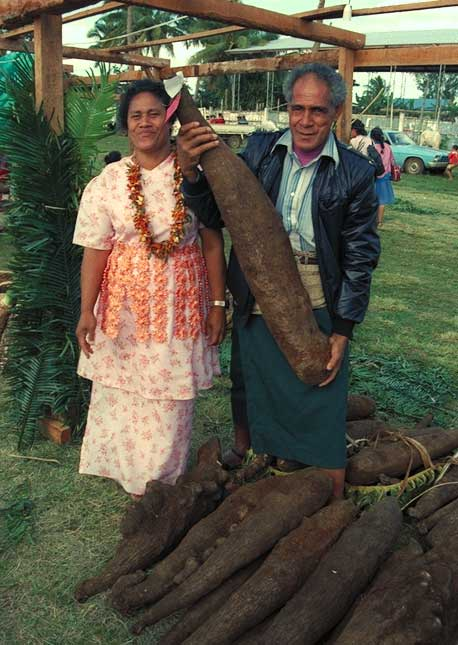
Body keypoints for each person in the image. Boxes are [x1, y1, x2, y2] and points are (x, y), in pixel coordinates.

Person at [178, 63, 380, 498]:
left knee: (320, 379)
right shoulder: (258, 151)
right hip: (256, 282)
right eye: (297, 108)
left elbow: (361, 255)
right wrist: (192, 175)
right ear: (287, 107)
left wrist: (344, 327)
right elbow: (215, 215)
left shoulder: (356, 172)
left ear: (337, 111)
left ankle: (328, 488)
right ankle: (263, 454)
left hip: (314, 285)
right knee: (256, 375)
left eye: (318, 111)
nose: (305, 121)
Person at [73, 79, 226, 499]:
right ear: (125, 124)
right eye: (136, 115)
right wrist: (87, 310)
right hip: (123, 306)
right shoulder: (108, 181)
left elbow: (213, 241)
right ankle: (128, 473)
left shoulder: (193, 174)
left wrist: (217, 304)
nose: (145, 122)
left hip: (181, 301)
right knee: (124, 389)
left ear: (169, 120)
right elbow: (95, 249)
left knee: (169, 397)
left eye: (154, 113)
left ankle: (159, 483)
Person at [370, 126, 396, 227]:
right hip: (385, 176)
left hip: (375, 176)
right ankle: (379, 221)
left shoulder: (372, 148)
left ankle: (371, 220)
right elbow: (392, 161)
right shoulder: (388, 147)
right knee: (382, 201)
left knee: (372, 199)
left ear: (372, 137)